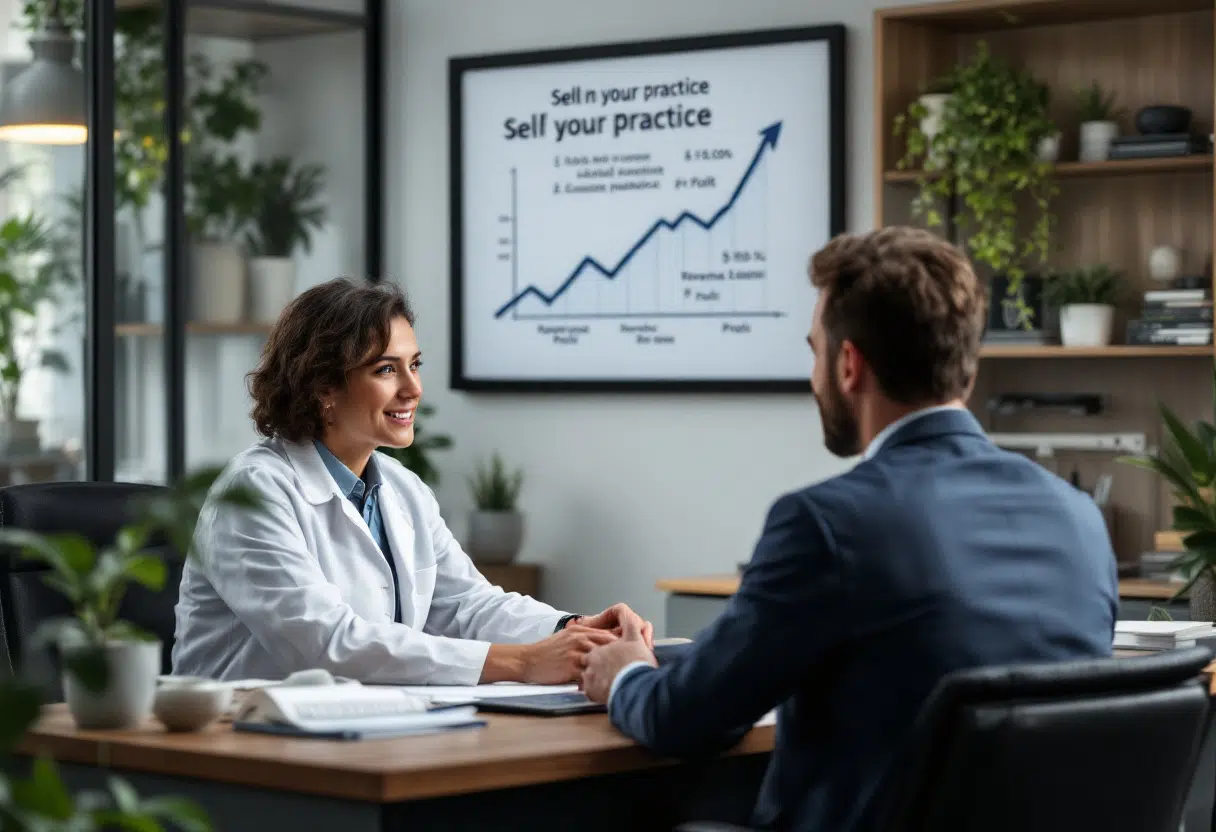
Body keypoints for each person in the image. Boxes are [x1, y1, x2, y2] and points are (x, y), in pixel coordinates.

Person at [582, 227, 1118, 831]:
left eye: (814, 351)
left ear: (846, 363)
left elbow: (686, 720)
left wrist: (624, 674)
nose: (813, 376)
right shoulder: (1077, 517)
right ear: (964, 369)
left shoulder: (827, 524)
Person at [172, 277, 652, 685]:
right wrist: (523, 662)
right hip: (241, 747)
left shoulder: (401, 489)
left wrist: (573, 629)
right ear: (324, 390)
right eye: (386, 369)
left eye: (414, 364)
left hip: (364, 732)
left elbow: (465, 606)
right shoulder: (253, 493)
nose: (414, 388)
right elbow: (325, 644)